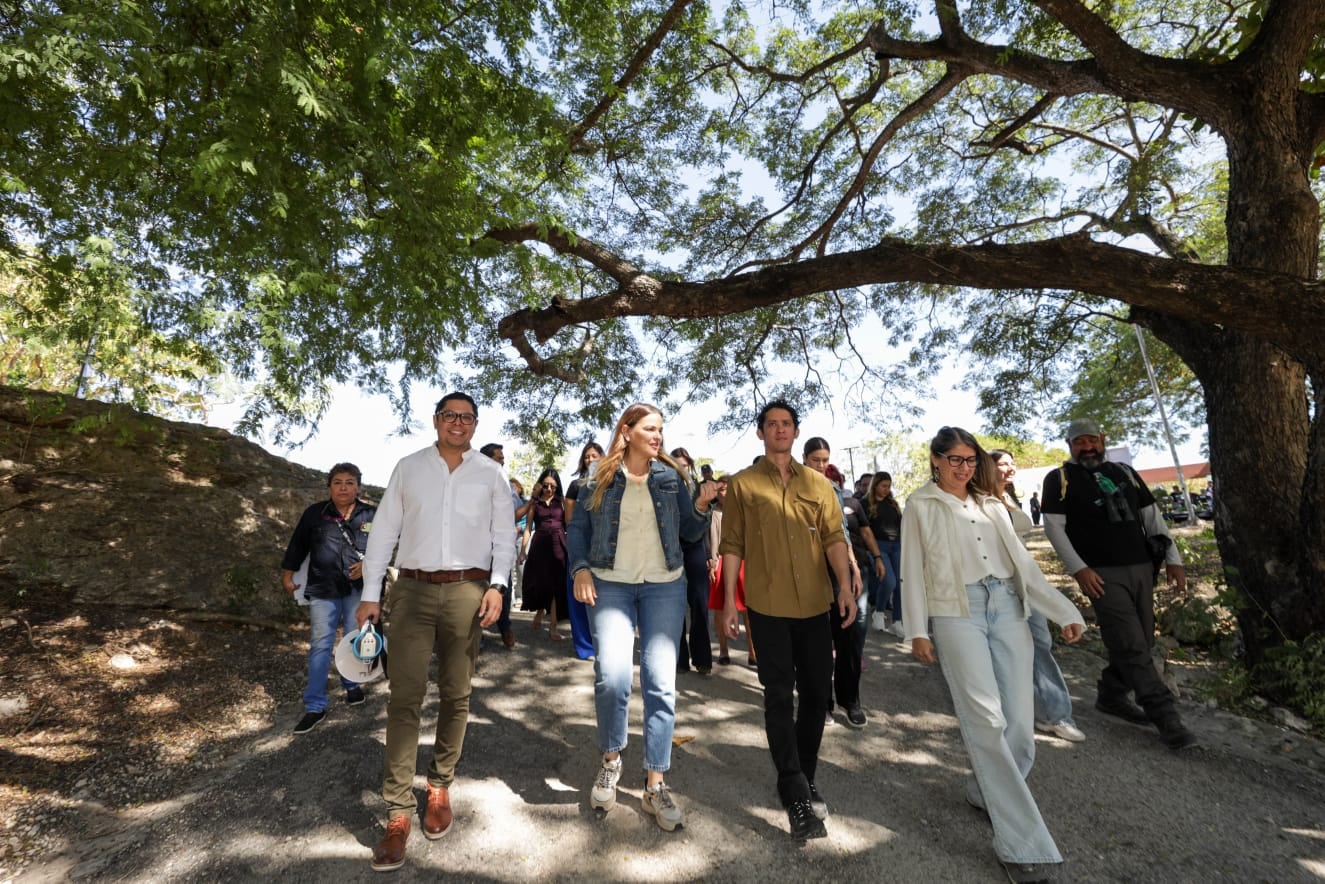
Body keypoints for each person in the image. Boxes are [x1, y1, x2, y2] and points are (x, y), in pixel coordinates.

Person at [902, 427, 1085, 884]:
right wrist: (916, 631)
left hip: (1008, 606)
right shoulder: (920, 505)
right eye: (955, 459)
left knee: (1021, 726)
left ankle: (988, 787)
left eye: (970, 460)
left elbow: (1023, 562)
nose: (964, 467)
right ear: (936, 460)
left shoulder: (991, 504)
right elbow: (912, 569)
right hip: (955, 612)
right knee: (986, 720)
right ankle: (1023, 846)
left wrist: (1062, 610)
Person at [356, 393, 516, 872]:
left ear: (475, 424)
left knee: (456, 693)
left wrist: (499, 586)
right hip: (413, 591)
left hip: (469, 590)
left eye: (467, 418)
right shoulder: (409, 467)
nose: (458, 424)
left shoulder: (491, 474)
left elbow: (503, 536)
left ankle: (440, 783)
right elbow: (383, 532)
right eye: (450, 415)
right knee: (405, 696)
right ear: (436, 420)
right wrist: (370, 594)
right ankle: (398, 812)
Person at [566, 403, 717, 831]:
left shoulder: (672, 476)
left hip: (664, 585)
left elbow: (689, 531)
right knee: (612, 677)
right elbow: (577, 530)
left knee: (660, 683)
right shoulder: (598, 475)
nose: (658, 436)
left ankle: (655, 783)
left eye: (661, 430)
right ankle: (611, 760)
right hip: (608, 583)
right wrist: (578, 568)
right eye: (650, 429)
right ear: (627, 431)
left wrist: (702, 506)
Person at [719, 400, 856, 843]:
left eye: (787, 424)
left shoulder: (819, 484)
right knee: (779, 696)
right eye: (772, 424)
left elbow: (835, 538)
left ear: (796, 432)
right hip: (768, 606)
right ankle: (795, 790)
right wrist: (727, 604)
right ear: (760, 433)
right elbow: (732, 545)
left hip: (817, 605)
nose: (780, 430)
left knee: (818, 695)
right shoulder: (742, 485)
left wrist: (845, 586)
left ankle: (804, 773)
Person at [1040, 418, 1198, 751]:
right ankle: (1167, 718)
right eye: (1079, 442)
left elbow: (1151, 515)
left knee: (1139, 639)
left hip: (1142, 567)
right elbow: (1054, 528)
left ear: (1103, 439)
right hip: (1101, 574)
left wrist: (1174, 558)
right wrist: (1079, 569)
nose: (1087, 447)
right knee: (1131, 644)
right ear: (1070, 445)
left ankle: (1111, 694)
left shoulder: (1124, 473)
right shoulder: (1059, 479)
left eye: (1092, 440)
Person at [988, 449, 1085, 744]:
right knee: (1001, 653)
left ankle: (1057, 716)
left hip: (1025, 581)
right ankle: (1008, 714)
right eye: (1002, 463)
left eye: (1012, 463)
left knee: (1040, 644)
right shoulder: (980, 501)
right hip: (994, 588)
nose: (1010, 467)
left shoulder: (1008, 498)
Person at [281, 463, 377, 735]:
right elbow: (298, 544)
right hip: (323, 587)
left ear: (358, 486)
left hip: (358, 589)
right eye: (338, 482)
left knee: (353, 639)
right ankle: (315, 706)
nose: (343, 487)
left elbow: (384, 546)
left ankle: (351, 684)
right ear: (329, 487)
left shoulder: (372, 514)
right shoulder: (315, 514)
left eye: (349, 482)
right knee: (320, 644)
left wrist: (368, 564)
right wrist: (288, 575)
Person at [801, 438, 874, 729]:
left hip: (840, 573)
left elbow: (842, 533)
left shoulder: (833, 490)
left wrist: (854, 568)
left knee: (851, 638)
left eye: (825, 460)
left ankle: (850, 699)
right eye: (815, 459)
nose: (821, 465)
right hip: (809, 575)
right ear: (804, 458)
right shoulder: (793, 487)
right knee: (818, 645)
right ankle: (823, 703)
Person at [671, 447, 714, 675]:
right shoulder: (665, 488)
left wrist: (709, 556)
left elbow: (706, 524)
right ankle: (680, 659)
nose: (682, 470)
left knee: (699, 601)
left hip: (696, 546)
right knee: (676, 602)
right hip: (673, 548)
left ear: (691, 466)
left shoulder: (700, 488)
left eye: (685, 466)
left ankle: (703, 659)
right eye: (676, 466)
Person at [563, 442, 605, 660]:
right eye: (587, 456)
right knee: (578, 596)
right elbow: (571, 520)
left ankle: (602, 643)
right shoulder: (575, 485)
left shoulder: (611, 483)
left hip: (604, 548)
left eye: (595, 455)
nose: (591, 460)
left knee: (602, 597)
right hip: (580, 547)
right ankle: (584, 646)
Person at [517, 469, 569, 641]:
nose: (549, 489)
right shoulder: (535, 503)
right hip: (539, 545)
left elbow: (569, 523)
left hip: (559, 544)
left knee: (556, 585)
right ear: (540, 485)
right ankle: (539, 611)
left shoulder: (561, 501)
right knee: (541, 582)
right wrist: (523, 550)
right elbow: (528, 528)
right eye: (545, 485)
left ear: (557, 486)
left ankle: (553, 627)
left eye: (552, 486)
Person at [479, 442, 518, 648]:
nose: (503, 461)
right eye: (499, 457)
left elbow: (513, 515)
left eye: (503, 458)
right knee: (476, 591)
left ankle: (505, 627)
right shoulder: (471, 481)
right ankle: (477, 637)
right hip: (476, 549)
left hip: (500, 547)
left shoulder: (506, 484)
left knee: (502, 588)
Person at [865, 472, 904, 636]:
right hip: (879, 546)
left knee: (900, 585)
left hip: (896, 545)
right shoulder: (866, 503)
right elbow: (864, 530)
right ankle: (879, 611)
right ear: (875, 485)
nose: (886, 490)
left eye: (889, 486)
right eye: (883, 486)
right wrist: (873, 553)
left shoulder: (893, 504)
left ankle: (897, 621)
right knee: (889, 581)